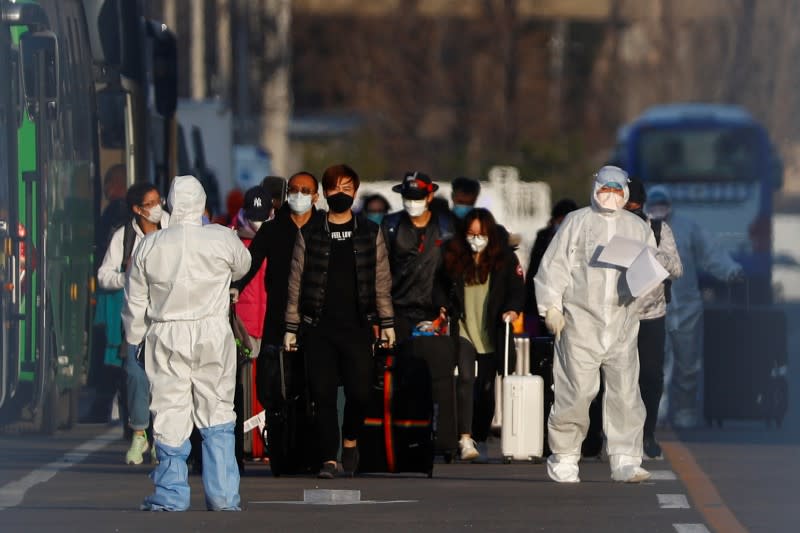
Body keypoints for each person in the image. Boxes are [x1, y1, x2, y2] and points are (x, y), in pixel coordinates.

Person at [123, 175, 251, 511]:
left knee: (169, 408)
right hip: (212, 331)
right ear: (202, 203)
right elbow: (243, 265)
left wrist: (136, 339)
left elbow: (135, 301)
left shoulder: (150, 245)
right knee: (218, 408)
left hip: (167, 332)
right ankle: (223, 495)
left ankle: (171, 494)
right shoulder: (221, 238)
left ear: (169, 203)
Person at [534, 165, 655, 483]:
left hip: (621, 323)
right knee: (575, 391)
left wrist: (643, 289)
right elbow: (554, 267)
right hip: (579, 323)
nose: (610, 196)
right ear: (594, 188)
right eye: (605, 189)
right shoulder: (577, 222)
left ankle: (626, 458)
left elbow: (649, 267)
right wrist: (551, 307)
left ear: (626, 192)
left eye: (617, 191)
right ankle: (564, 456)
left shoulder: (637, 227)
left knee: (625, 393)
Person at [284, 164, 394, 479]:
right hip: (319, 325)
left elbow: (382, 281)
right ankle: (328, 459)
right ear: (325, 193)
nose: (340, 194)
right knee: (323, 393)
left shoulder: (370, 232)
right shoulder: (311, 232)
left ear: (355, 193)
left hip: (358, 325)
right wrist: (291, 327)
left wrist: (387, 323)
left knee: (360, 392)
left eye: (347, 188)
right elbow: (296, 281)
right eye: (334, 189)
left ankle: (350, 440)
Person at [646, 186, 743, 429]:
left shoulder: (689, 227)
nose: (659, 210)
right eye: (654, 205)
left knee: (688, 364)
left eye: (663, 205)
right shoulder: (640, 228)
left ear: (670, 206)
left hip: (687, 308)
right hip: (652, 307)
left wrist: (731, 270)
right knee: (656, 361)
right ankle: (658, 410)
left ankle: (686, 409)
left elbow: (712, 254)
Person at [232, 171, 326, 408]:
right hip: (277, 314)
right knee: (271, 384)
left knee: (312, 384)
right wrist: (235, 288)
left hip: (315, 317)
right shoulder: (272, 229)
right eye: (294, 190)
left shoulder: (324, 228)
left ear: (315, 196)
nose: (299, 195)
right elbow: (250, 263)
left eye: (305, 191)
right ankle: (275, 433)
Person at [439, 209, 525, 461]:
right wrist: (443, 306)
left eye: (481, 234)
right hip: (464, 328)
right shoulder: (455, 256)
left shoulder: (505, 259)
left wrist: (512, 310)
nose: (476, 239)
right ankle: (464, 438)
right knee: (465, 379)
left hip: (491, 330)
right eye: (471, 233)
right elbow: (441, 285)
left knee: (487, 388)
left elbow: (517, 289)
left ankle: (478, 433)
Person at [97, 182, 168, 465]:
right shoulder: (124, 237)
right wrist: (125, 277)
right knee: (136, 377)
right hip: (137, 322)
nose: (157, 208)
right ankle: (140, 433)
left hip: (166, 320)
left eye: (158, 201)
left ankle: (162, 436)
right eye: (150, 203)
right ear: (137, 209)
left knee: (163, 379)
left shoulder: (171, 231)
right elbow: (104, 275)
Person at [624, 179, 682, 458]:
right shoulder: (600, 228)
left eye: (634, 206)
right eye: (626, 206)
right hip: (614, 314)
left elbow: (676, 268)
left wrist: (652, 253)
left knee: (650, 376)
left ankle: (647, 434)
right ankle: (602, 434)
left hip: (651, 314)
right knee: (612, 378)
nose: (629, 211)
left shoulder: (659, 229)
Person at [382, 171, 454, 342]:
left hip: (433, 312)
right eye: (407, 198)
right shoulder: (391, 225)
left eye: (418, 198)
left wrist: (447, 305)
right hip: (397, 311)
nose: (412, 203)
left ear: (430, 197)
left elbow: (452, 271)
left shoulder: (446, 228)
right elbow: (380, 270)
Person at [523, 198, 578, 336]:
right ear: (553, 221)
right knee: (537, 339)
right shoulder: (543, 238)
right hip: (538, 301)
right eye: (560, 222)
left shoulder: (580, 240)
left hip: (569, 302)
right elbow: (534, 271)